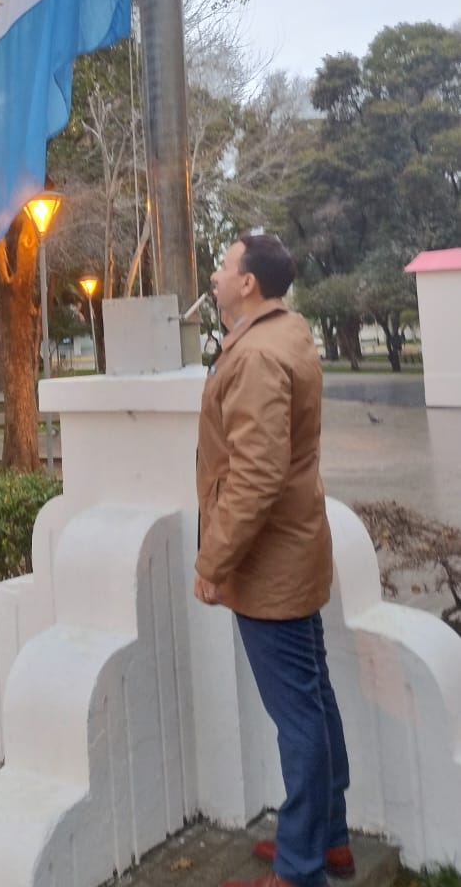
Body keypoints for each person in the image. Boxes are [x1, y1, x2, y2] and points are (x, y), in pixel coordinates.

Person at [193, 233, 353, 887]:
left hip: (268, 564)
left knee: (297, 717)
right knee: (312, 701)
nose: (215, 271)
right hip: (295, 548)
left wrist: (212, 561)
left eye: (223, 264)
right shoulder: (286, 333)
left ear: (248, 283)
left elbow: (254, 477)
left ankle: (300, 868)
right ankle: (328, 839)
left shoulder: (257, 355)